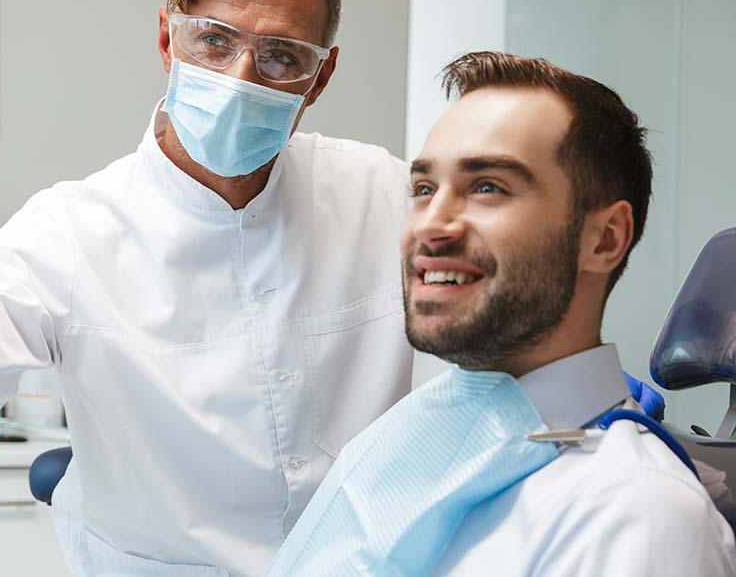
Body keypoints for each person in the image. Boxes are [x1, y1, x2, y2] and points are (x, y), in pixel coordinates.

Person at [0, 0, 661, 575]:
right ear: (168, 39)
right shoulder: (66, 234)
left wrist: (574, 386)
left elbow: (503, 292)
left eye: (279, 58)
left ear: (320, 76)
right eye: (214, 42)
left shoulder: (380, 194)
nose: (238, 79)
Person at [266, 52, 736, 576]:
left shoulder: (638, 516)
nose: (431, 225)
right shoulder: (412, 431)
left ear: (603, 239)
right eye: (423, 189)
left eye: (487, 187)